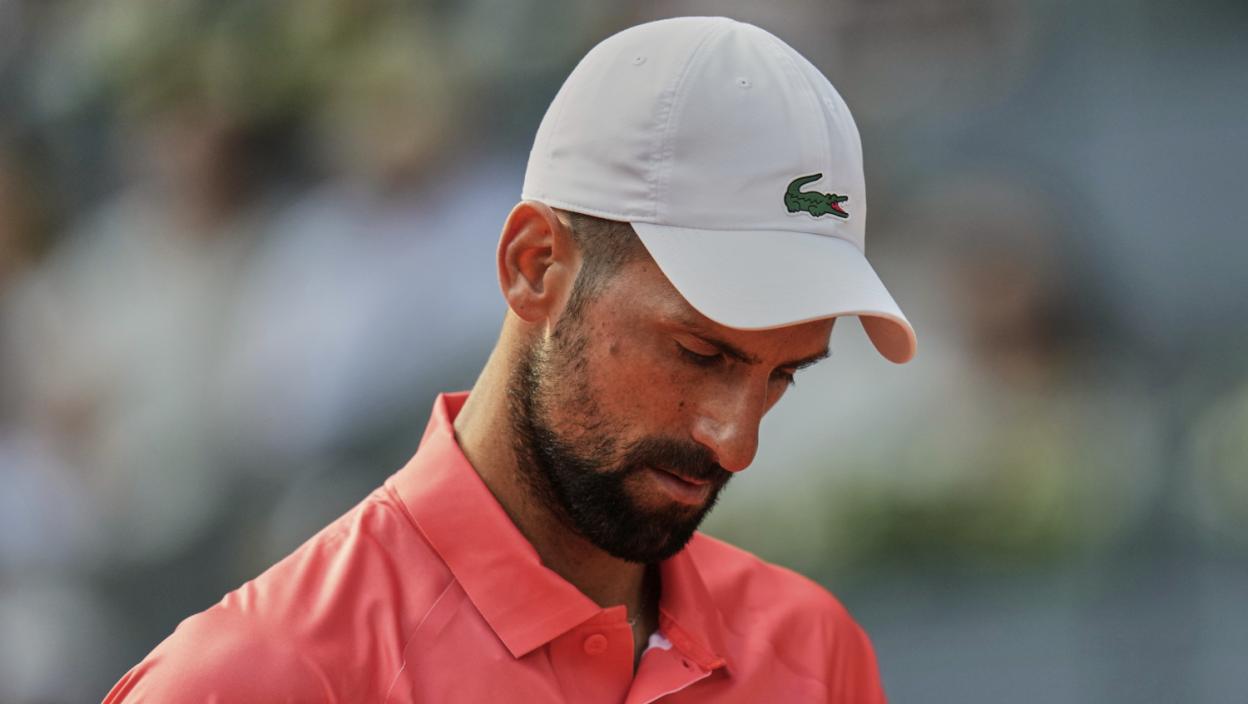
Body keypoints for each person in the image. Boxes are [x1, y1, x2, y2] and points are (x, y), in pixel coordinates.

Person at [104, 16, 916, 703]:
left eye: (782, 374)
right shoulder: (248, 681)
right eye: (699, 353)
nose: (737, 442)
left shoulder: (817, 651)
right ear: (535, 265)